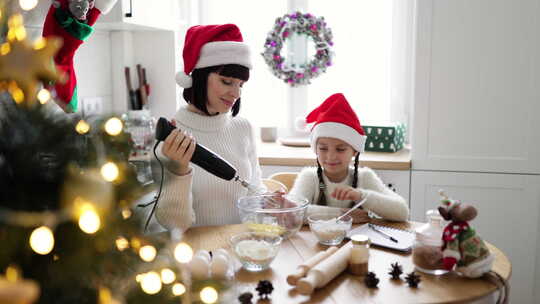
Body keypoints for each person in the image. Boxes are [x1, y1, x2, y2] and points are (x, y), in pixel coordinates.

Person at [155, 24, 264, 231]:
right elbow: (173, 225)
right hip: (199, 255)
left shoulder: (243, 128)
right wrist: (178, 171)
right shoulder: (172, 138)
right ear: (199, 78)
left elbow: (254, 191)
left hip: (242, 247)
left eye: (240, 85)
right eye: (227, 81)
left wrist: (269, 202)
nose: (236, 94)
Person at [289, 93, 409, 223]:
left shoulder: (365, 177)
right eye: (323, 148)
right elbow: (293, 212)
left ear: (354, 151)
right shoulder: (309, 177)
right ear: (315, 149)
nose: (331, 156)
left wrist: (361, 196)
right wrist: (341, 215)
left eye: (340, 149)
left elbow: (402, 212)